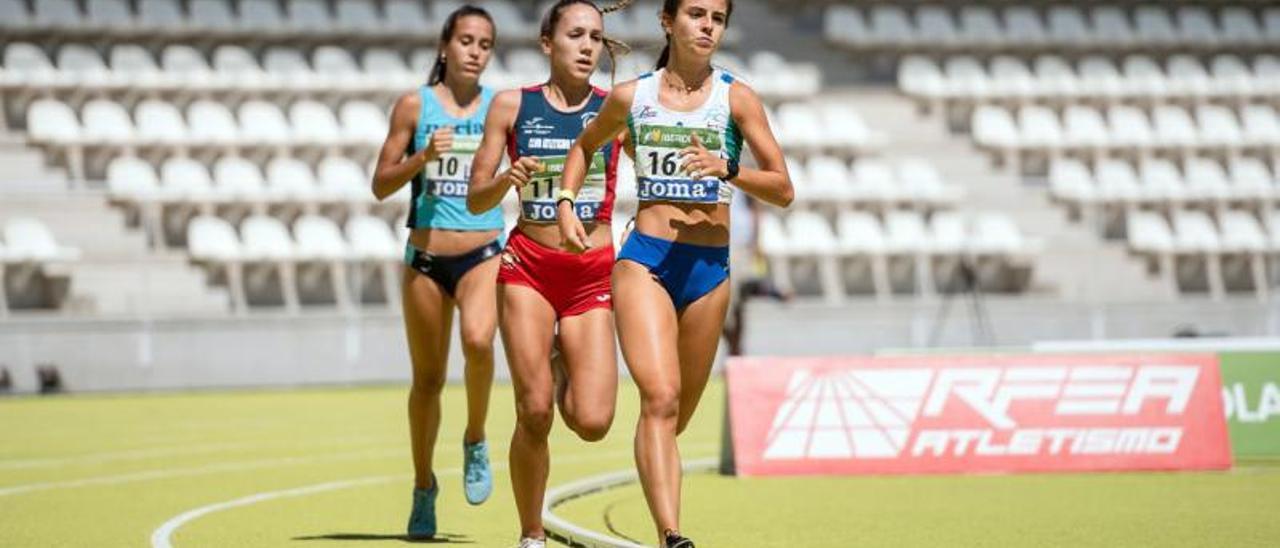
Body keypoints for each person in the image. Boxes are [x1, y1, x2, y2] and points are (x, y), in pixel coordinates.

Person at [556, 0, 794, 545]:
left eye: (717, 17)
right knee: (659, 398)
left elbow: (783, 188)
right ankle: (672, 534)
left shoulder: (738, 98)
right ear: (668, 22)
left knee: (675, 415)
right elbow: (585, 146)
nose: (708, 26)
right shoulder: (631, 97)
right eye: (696, 14)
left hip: (710, 270)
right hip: (646, 262)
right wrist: (568, 200)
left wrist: (728, 169)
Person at [467, 2, 630, 546]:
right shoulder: (512, 107)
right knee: (533, 411)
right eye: (575, 35)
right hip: (528, 270)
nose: (587, 46)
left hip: (590, 276)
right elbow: (475, 199)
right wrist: (507, 178)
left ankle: (559, 365)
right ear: (546, 43)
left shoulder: (617, 111)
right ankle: (531, 533)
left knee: (592, 421)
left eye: (597, 38)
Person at [369, 5, 502, 539]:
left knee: (478, 340)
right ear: (445, 46)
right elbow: (380, 184)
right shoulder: (413, 105)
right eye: (466, 40)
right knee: (426, 381)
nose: (475, 51)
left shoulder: (500, 107)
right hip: (425, 258)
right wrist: (423, 156)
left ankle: (474, 438)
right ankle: (424, 486)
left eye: (485, 44)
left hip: (482, 252)